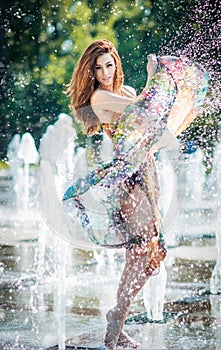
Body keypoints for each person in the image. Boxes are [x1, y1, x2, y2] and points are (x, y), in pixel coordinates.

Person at [65, 39, 208, 349]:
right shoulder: (100, 98)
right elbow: (143, 108)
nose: (105, 72)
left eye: (109, 64)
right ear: (91, 73)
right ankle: (116, 319)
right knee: (145, 246)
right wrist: (155, 75)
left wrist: (163, 84)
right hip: (126, 180)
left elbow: (154, 119)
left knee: (152, 251)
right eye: (98, 68)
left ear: (116, 63)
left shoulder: (126, 91)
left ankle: (117, 318)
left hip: (147, 173)